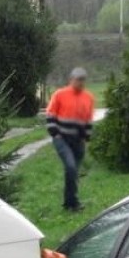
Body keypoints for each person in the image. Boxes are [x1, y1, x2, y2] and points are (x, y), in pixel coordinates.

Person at [46, 68, 95, 212]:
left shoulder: (88, 97)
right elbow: (50, 114)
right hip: (62, 138)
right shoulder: (60, 94)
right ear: (71, 79)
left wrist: (86, 137)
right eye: (78, 79)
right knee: (71, 167)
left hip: (78, 141)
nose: (80, 82)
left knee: (73, 172)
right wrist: (54, 133)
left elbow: (88, 120)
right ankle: (73, 202)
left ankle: (70, 202)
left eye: (82, 79)